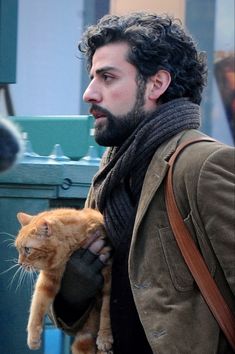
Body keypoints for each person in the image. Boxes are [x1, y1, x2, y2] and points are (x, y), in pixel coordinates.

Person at [51, 12, 235, 353]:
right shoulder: (110, 176)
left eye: (107, 77)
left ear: (156, 84)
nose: (89, 93)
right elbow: (92, 321)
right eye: (92, 77)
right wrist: (71, 293)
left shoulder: (202, 165)